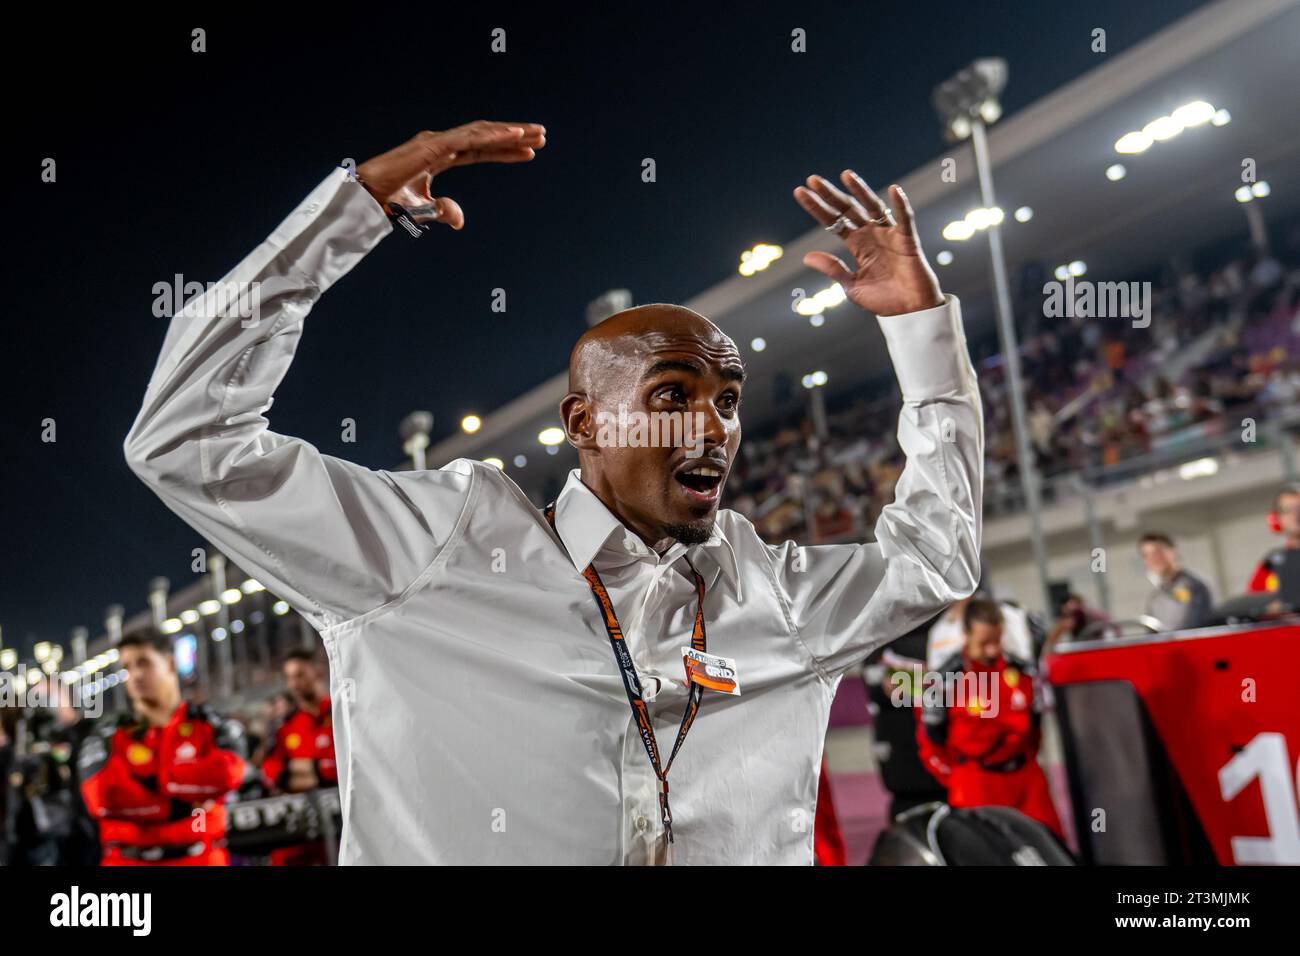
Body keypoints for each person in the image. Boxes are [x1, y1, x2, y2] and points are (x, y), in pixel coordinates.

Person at [124, 121, 982, 864]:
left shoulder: (773, 592)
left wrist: (920, 330)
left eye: (727, 401)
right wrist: (351, 213)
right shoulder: (438, 551)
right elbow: (189, 442)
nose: (712, 426)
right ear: (584, 422)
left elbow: (938, 557)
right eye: (672, 396)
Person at [78, 630, 249, 865]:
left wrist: (150, 784)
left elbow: (226, 775)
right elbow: (104, 799)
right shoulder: (108, 735)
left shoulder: (212, 725)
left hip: (201, 860)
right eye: (128, 666)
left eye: (144, 663)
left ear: (169, 663)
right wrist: (186, 795)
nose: (135, 674)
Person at [917, 600, 1063, 839]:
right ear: (965, 634)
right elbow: (930, 739)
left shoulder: (1023, 671)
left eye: (997, 641)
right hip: (976, 785)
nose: (993, 650)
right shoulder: (944, 681)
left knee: (1049, 846)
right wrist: (955, 778)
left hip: (1027, 781)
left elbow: (1036, 725)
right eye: (984, 643)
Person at [262, 648, 337, 865]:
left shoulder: (341, 715)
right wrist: (319, 772)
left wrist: (303, 771)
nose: (293, 684)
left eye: (300, 675)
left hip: (344, 819)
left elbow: (347, 766)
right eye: (289, 678)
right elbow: (272, 770)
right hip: (303, 825)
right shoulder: (287, 726)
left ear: (319, 673)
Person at [1137, 532, 1213, 630]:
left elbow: (1191, 627)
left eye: (1157, 552)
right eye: (1146, 555)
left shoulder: (1193, 587)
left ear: (1172, 552)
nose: (1153, 559)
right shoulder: (1155, 598)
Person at [1248, 485, 1300, 596]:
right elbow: (1256, 600)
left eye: (1299, 508)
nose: (1296, 515)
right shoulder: (1272, 563)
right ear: (1277, 519)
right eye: (1288, 510)